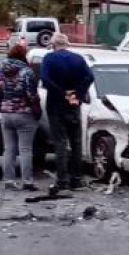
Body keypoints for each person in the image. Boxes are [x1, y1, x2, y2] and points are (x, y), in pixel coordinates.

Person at [40, 34, 94, 194]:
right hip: (73, 105)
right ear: (67, 44)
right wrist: (77, 93)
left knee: (60, 142)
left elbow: (44, 79)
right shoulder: (78, 59)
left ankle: (62, 180)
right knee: (76, 142)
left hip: (55, 105)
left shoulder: (49, 58)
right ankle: (76, 178)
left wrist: (61, 92)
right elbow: (90, 76)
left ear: (53, 45)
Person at [0, 44, 41, 191]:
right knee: (25, 149)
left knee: (8, 149)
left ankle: (8, 180)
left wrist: (0, 106)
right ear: (23, 56)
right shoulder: (27, 72)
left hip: (6, 113)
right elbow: (31, 95)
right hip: (24, 113)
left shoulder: (1, 71)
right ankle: (27, 181)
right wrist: (36, 111)